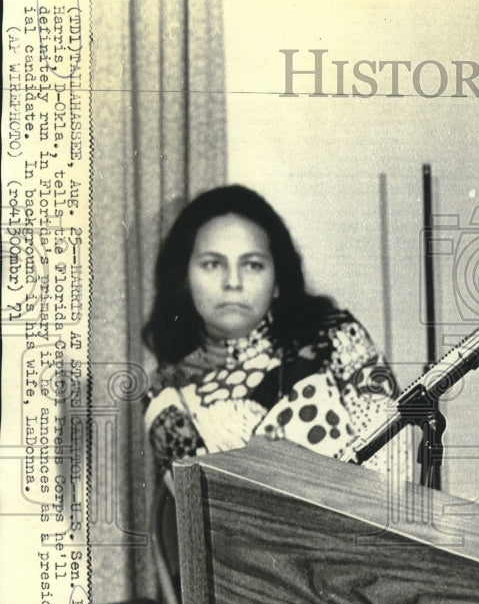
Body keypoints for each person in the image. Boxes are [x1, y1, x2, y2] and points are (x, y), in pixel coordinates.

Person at [142, 185, 410, 479]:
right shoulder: (166, 396)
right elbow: (206, 509)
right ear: (184, 277)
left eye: (253, 265)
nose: (233, 282)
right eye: (213, 264)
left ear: (278, 280)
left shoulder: (336, 336)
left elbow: (395, 462)